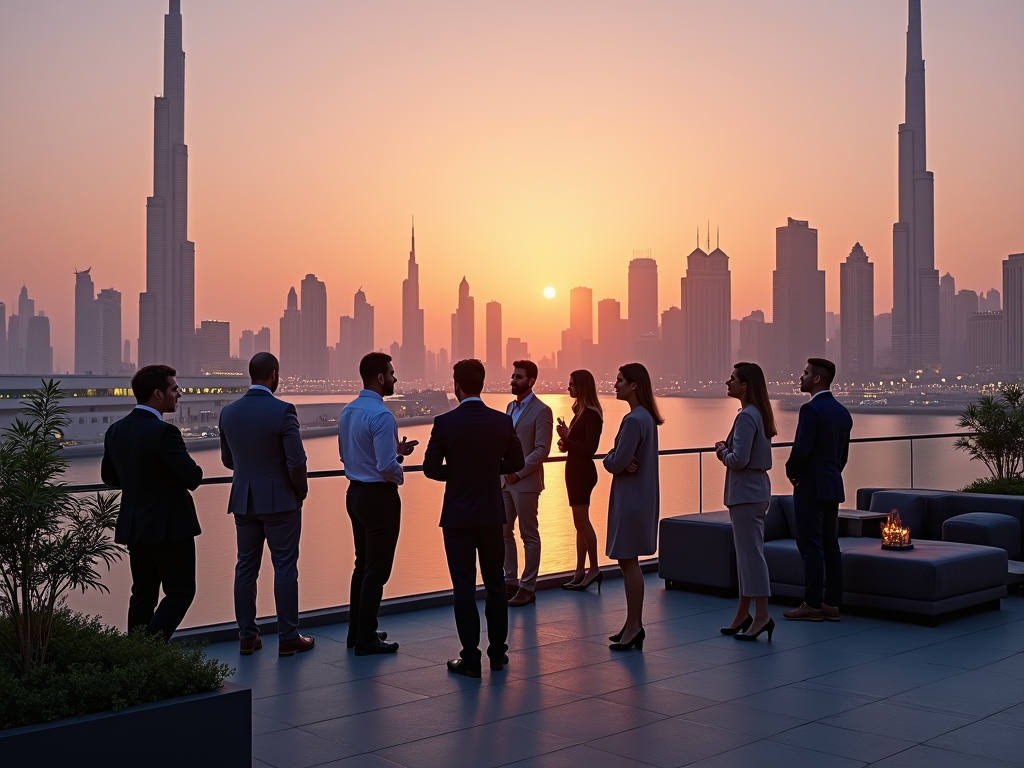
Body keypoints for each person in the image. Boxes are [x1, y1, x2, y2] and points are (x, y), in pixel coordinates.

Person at [424, 359, 525, 678]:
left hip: (457, 517)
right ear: (481, 384)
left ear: (456, 386)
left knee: (463, 587)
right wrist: (485, 471)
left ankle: (470, 658)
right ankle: (498, 654)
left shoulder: (444, 422)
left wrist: (458, 474)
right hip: (492, 513)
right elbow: (517, 460)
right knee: (496, 584)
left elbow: (429, 468)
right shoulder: (501, 421)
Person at [219, 352, 313, 657]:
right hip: (281, 501)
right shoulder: (283, 410)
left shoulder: (228, 412)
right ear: (274, 374)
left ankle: (247, 636)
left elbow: (228, 460)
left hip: (244, 500)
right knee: (285, 567)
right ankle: (288, 637)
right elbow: (296, 461)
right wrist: (299, 491)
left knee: (245, 567)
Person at [101, 364, 203, 640]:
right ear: (158, 394)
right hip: (170, 526)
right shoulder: (164, 433)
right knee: (180, 593)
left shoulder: (116, 430)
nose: (178, 394)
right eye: (174, 389)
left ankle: (136, 655)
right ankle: (149, 649)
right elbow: (192, 477)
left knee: (143, 594)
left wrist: (141, 482)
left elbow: (108, 475)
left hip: (135, 524)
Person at [337, 352, 418, 655]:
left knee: (362, 565)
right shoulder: (382, 415)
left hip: (355, 494)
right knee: (377, 570)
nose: (395, 379)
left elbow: (348, 455)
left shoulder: (348, 411)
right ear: (381, 378)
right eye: (392, 373)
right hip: (378, 498)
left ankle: (357, 631)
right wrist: (399, 470)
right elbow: (385, 467)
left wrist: (394, 452)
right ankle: (367, 638)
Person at [783, 358, 853, 623]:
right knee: (830, 546)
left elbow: (801, 449)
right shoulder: (842, 412)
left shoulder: (810, 410)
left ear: (816, 379)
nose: (800, 377)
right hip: (832, 484)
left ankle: (812, 605)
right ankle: (832, 604)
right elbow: (842, 456)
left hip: (810, 486)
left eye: (805, 373)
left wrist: (792, 474)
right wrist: (831, 473)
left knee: (810, 546)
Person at [715, 362, 777, 642]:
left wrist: (721, 451)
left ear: (745, 385)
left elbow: (738, 459)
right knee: (747, 556)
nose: (728, 382)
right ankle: (743, 613)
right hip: (753, 491)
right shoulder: (757, 414)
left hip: (746, 494)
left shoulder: (746, 416)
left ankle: (762, 615)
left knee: (752, 556)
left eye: (733, 379)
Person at [603, 363, 663, 651]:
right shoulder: (646, 418)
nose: (615, 385)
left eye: (619, 380)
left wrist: (613, 458)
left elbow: (614, 462)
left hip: (630, 499)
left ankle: (635, 626)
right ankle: (631, 624)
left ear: (634, 385)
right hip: (641, 496)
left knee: (628, 562)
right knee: (630, 562)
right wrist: (620, 460)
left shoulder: (633, 420)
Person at [502, 359, 553, 607]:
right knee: (503, 532)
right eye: (513, 376)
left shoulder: (542, 410)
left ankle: (528, 587)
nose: (513, 380)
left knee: (528, 534)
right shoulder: (510, 407)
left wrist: (517, 472)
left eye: (518, 377)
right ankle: (509, 581)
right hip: (504, 482)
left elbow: (542, 450)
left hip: (525, 482)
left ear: (531, 381)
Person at [555, 369, 604, 591]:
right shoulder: (581, 412)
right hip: (575, 470)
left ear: (582, 386)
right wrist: (566, 442)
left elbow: (589, 449)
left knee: (583, 523)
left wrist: (568, 438)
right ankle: (580, 570)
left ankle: (593, 569)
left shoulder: (592, 414)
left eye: (572, 384)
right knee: (579, 525)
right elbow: (578, 445)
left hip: (582, 473)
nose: (568, 387)